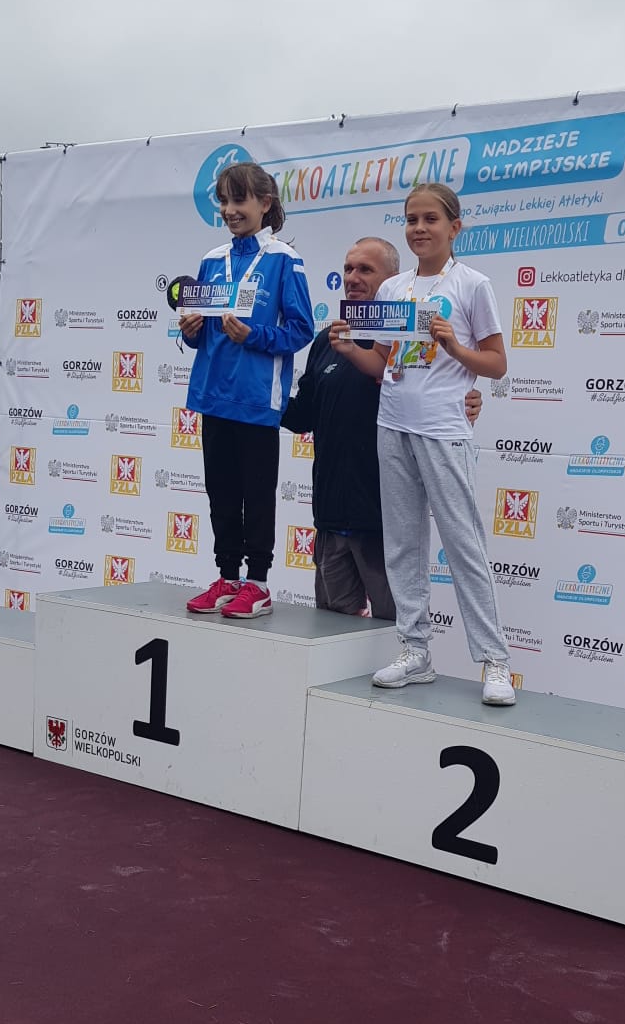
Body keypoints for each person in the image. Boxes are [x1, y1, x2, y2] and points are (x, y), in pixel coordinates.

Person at [329, 184, 516, 706]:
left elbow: (497, 364)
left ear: (454, 227)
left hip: (444, 428)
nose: (419, 228)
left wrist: (454, 345)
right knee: (403, 544)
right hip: (393, 425)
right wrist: (348, 348)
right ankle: (416, 651)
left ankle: (495, 660)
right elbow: (382, 362)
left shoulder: (473, 285)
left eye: (430, 219)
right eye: (411, 219)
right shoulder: (393, 288)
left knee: (463, 545)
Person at [283, 237, 481, 620]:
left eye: (365, 269)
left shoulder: (412, 339)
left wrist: (466, 402)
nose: (352, 277)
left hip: (387, 527)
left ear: (392, 280)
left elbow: (441, 393)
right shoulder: (327, 340)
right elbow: (303, 415)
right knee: (330, 640)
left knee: (398, 634)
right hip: (331, 522)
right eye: (348, 268)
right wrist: (254, 397)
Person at [180, 163, 314, 619]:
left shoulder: (283, 259)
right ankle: (227, 577)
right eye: (224, 201)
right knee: (220, 492)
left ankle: (258, 583)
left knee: (256, 495)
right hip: (212, 394)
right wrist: (192, 330)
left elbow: (301, 329)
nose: (230, 210)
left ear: (265, 203)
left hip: (257, 398)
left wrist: (254, 335)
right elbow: (201, 335)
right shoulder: (211, 260)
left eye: (239, 200)